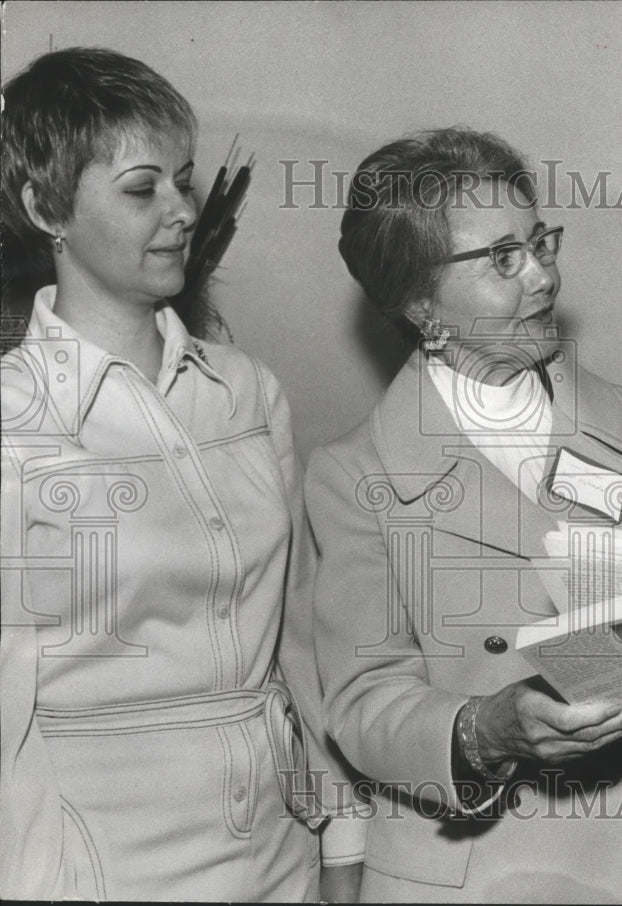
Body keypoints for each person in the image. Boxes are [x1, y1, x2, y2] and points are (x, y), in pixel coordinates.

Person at [306, 126, 622, 903]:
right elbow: (361, 703)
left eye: (540, 243)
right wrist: (483, 730)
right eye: (502, 259)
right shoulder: (355, 472)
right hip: (470, 870)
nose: (543, 277)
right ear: (422, 303)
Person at [0, 47, 363, 901]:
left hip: (276, 852)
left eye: (185, 181)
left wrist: (342, 835)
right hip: (96, 861)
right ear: (45, 207)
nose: (181, 211)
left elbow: (298, 641)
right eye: (141, 189)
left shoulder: (246, 390)